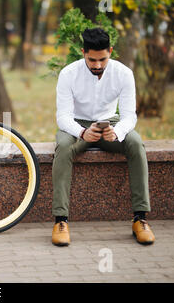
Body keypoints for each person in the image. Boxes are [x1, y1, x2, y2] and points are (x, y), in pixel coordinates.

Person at [51, 27, 155, 246]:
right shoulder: (68, 74)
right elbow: (62, 116)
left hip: (111, 123)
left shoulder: (124, 73)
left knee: (136, 143)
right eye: (92, 60)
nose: (97, 65)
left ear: (111, 51)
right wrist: (81, 132)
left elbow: (129, 116)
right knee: (62, 146)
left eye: (102, 59)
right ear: (83, 52)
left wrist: (116, 132)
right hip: (76, 125)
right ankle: (61, 221)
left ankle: (140, 219)